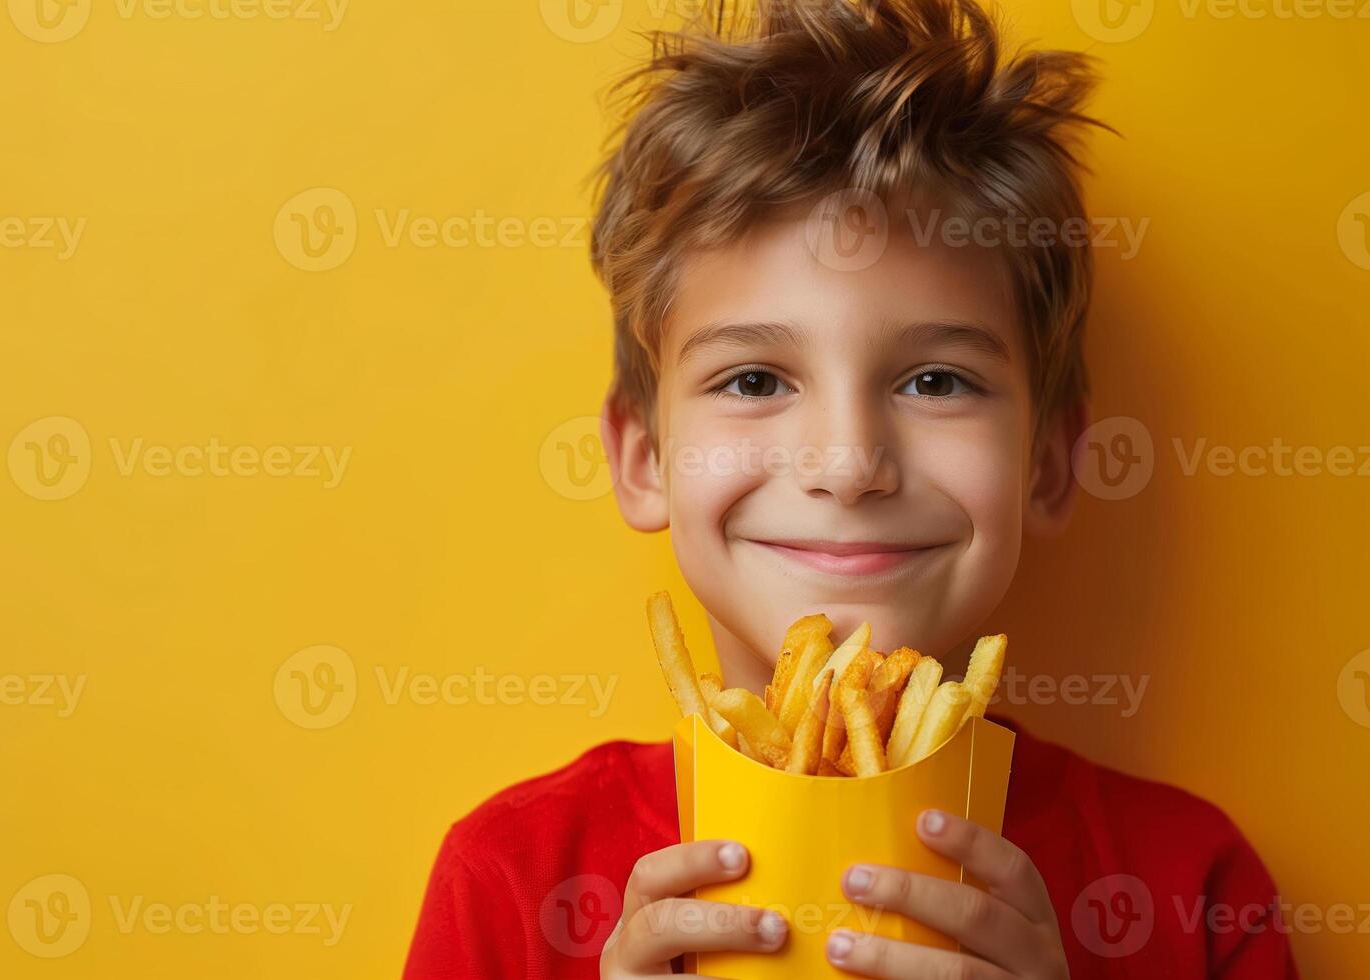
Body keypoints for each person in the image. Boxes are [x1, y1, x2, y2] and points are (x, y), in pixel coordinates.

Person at [404, 0, 1297, 975]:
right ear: (642, 457)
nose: (848, 462)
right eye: (754, 380)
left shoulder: (1193, 891)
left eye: (936, 380)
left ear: (1045, 462)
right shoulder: (510, 880)